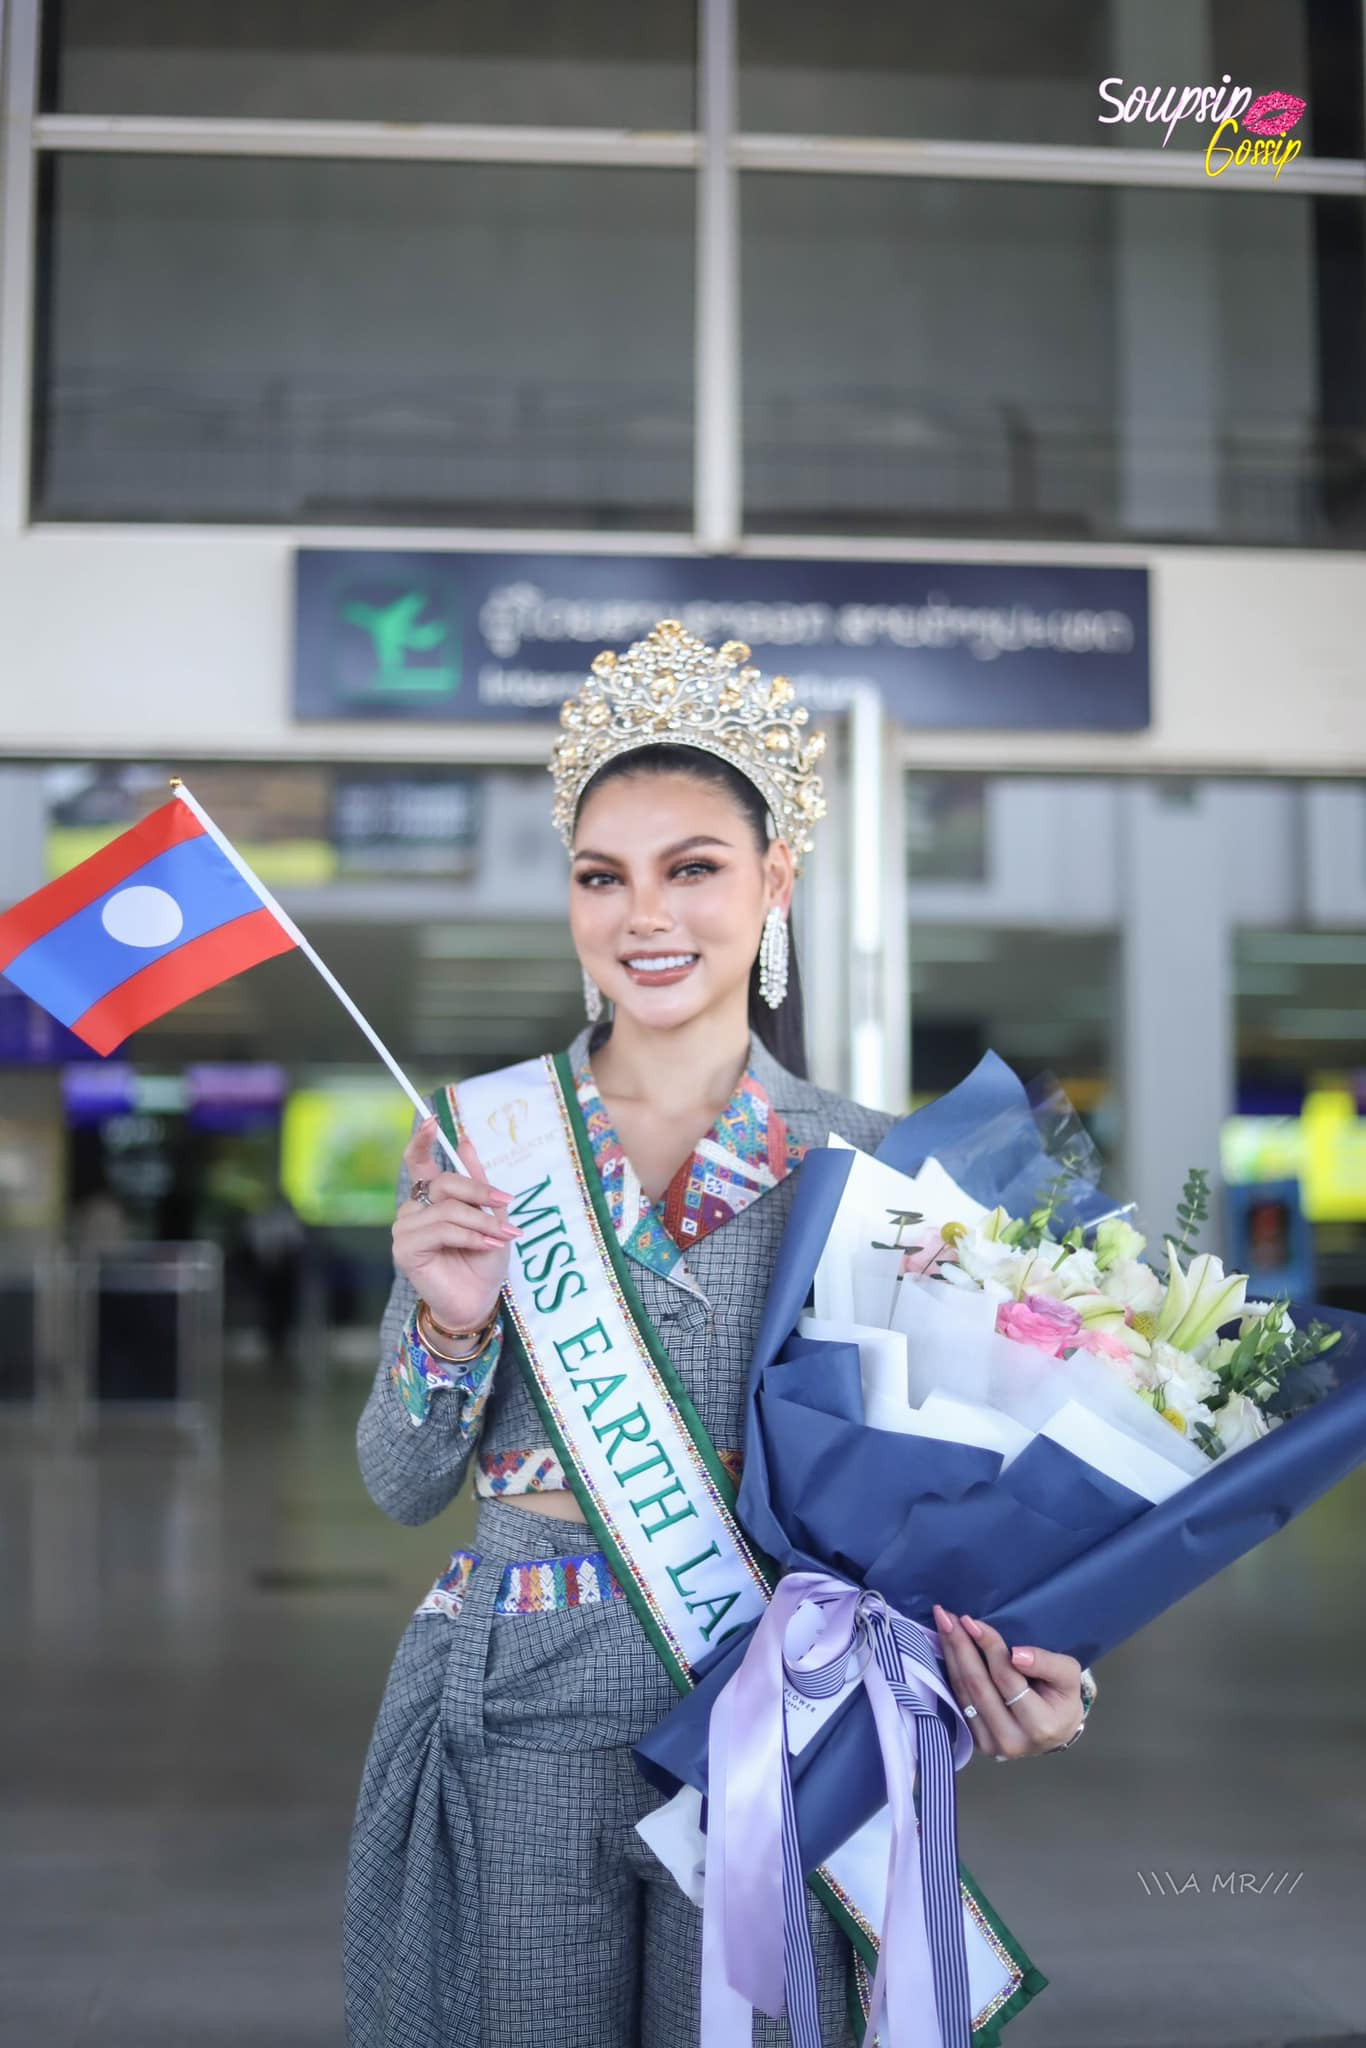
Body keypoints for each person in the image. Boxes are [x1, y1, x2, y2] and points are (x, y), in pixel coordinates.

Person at [344, 622, 1094, 2048]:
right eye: (601, 875)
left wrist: (1043, 1657)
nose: (646, 915)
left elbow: (952, 1488)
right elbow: (398, 1482)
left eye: (692, 866)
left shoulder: (873, 1165)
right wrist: (446, 1327)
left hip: (774, 1703)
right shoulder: (486, 1140)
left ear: (773, 883)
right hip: (519, 1698)